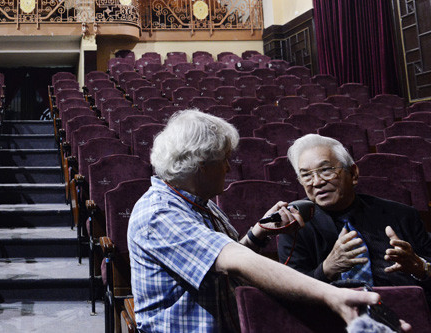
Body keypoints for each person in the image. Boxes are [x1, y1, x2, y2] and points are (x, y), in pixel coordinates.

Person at [128, 110, 387, 333]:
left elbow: (217, 266)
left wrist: (258, 233)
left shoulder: (201, 204)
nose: (229, 168)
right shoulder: (159, 214)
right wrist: (331, 294)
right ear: (200, 165)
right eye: (224, 160)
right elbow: (236, 262)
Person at [278, 134, 431, 297]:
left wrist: (419, 267)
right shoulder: (295, 226)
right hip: (332, 317)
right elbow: (289, 291)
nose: (316, 182)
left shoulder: (402, 216)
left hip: (405, 310)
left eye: (325, 170)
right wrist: (326, 269)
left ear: (353, 173)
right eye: (306, 175)